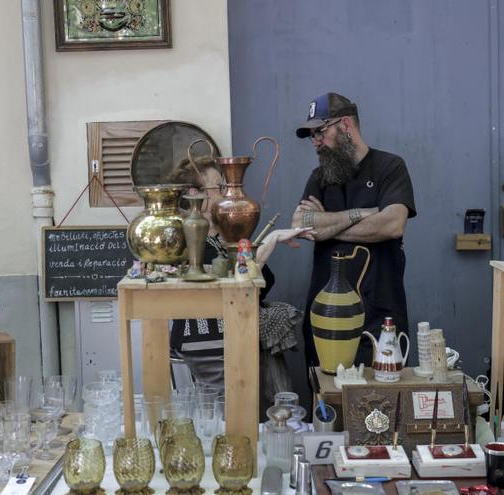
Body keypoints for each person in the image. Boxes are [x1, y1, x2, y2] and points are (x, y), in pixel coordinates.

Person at [165, 157, 315, 395]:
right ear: (196, 195)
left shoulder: (223, 237)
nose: (227, 193)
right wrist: (271, 240)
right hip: (206, 344)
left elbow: (259, 286)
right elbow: (236, 286)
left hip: (232, 336)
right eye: (221, 187)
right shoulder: (188, 240)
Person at [292, 92, 417, 367]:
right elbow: (299, 224)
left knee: (381, 404)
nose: (315, 142)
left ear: (345, 125)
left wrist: (327, 225)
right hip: (326, 318)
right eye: (311, 136)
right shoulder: (319, 177)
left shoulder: (389, 167)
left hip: (380, 316)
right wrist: (358, 214)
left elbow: (393, 224)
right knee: (326, 406)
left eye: (320, 132)